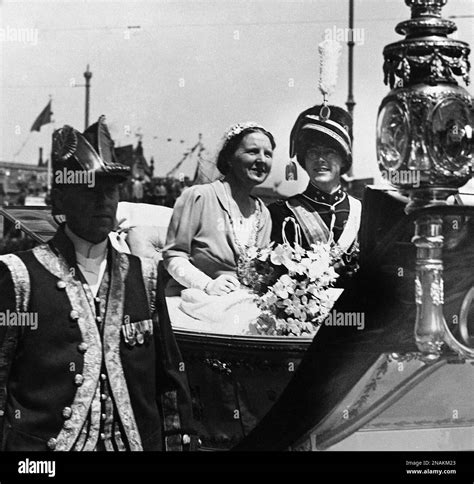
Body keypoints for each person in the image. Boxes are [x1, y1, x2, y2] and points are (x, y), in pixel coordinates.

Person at [0, 116, 197, 451]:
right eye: (90, 187)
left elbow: (169, 382)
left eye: (112, 189)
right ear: (59, 200)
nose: (104, 199)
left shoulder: (146, 277)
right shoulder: (19, 277)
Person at [162, 122, 275, 333]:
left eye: (268, 154)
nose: (261, 160)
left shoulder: (263, 212)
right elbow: (173, 256)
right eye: (252, 151)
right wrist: (207, 284)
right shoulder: (198, 197)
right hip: (197, 299)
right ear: (229, 158)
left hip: (245, 301)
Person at [269, 105, 361, 278]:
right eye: (312, 152)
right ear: (304, 160)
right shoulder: (281, 213)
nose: (320, 159)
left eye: (330, 152)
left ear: (343, 159)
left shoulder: (362, 212)